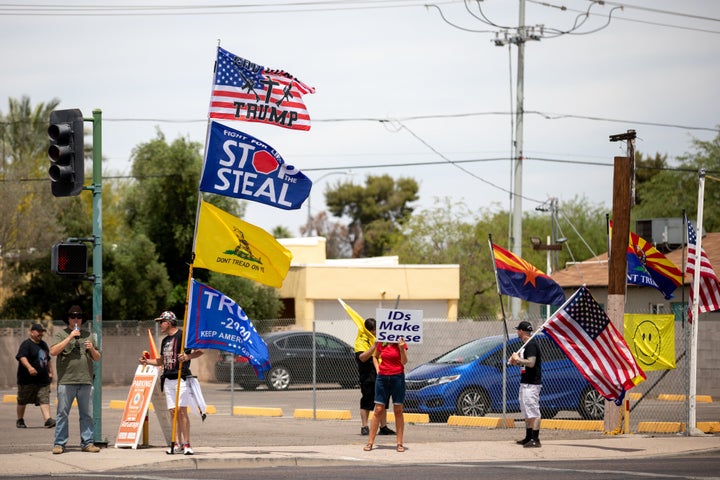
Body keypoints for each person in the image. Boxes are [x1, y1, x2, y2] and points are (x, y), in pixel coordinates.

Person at [139, 310, 204, 455]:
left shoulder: (183, 336)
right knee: (173, 412)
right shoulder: (165, 341)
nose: (160, 325)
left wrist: (187, 356)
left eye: (161, 322)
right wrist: (146, 361)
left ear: (168, 322)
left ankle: (187, 444)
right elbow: (161, 361)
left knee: (181, 411)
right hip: (167, 379)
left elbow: (200, 351)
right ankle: (177, 443)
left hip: (181, 378)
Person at [50, 305, 101, 454]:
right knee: (62, 413)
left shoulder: (89, 335)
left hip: (85, 380)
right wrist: (70, 337)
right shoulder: (61, 335)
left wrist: (91, 348)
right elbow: (53, 351)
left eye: (79, 316)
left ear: (82, 319)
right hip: (66, 381)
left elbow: (97, 358)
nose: (76, 319)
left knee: (87, 414)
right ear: (68, 319)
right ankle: (59, 444)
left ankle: (87, 443)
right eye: (73, 316)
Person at [363, 336, 408, 453]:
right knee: (378, 409)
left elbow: (404, 362)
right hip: (382, 378)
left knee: (398, 409)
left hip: (397, 377)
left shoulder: (401, 342)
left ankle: (399, 443)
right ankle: (370, 442)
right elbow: (375, 356)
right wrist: (378, 370)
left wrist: (402, 348)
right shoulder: (382, 342)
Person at [354, 318, 394, 436]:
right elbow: (362, 357)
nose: (375, 332)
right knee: (367, 400)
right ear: (368, 330)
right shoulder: (361, 340)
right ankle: (364, 426)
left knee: (383, 401)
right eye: (373, 330)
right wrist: (374, 346)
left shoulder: (382, 337)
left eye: (377, 329)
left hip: (382, 373)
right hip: (368, 375)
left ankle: (383, 426)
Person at [509, 321, 542, 448]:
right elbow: (525, 364)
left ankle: (535, 438)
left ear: (522, 331)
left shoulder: (531, 345)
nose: (517, 332)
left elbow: (531, 363)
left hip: (532, 384)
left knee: (533, 411)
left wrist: (518, 359)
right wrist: (515, 362)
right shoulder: (525, 345)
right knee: (526, 411)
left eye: (518, 330)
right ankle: (528, 437)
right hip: (525, 382)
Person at [15, 323, 55, 429]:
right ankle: (20, 420)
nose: (41, 334)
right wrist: (29, 367)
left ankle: (48, 420)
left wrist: (50, 371)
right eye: (38, 331)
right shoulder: (26, 344)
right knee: (22, 401)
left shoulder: (43, 344)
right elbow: (22, 357)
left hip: (42, 379)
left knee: (44, 399)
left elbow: (47, 359)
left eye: (42, 332)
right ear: (32, 332)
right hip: (27, 380)